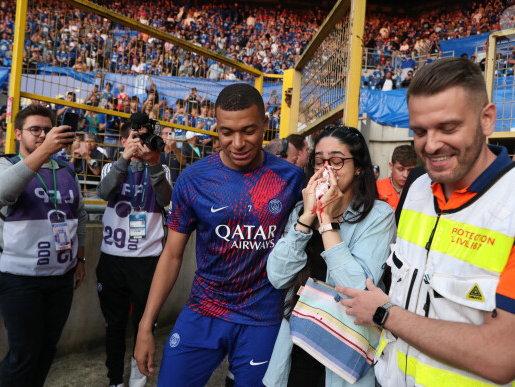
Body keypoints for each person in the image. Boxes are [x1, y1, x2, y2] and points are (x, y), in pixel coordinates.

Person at [337, 58, 515, 386]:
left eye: (448, 128)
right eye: (419, 131)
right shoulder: (418, 187)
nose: (430, 145)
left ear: (487, 119)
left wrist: (384, 313)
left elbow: (503, 355)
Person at [134, 83, 305, 386]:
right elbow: (172, 255)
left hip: (262, 318)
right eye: (227, 132)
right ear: (217, 128)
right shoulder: (194, 178)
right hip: (204, 310)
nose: (237, 143)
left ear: (266, 124)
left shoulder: (290, 178)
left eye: (249, 131)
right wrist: (146, 325)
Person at [263, 126, 396, 387]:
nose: (326, 169)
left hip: (344, 349)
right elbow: (277, 277)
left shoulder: (379, 215)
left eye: (336, 161)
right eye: (320, 161)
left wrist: (326, 221)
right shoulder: (303, 209)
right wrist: (306, 219)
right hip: (296, 344)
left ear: (358, 167)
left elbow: (359, 289)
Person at [0, 104, 88, 386]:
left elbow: (78, 214)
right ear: (18, 133)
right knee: (24, 353)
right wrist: (44, 152)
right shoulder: (3, 165)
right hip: (18, 277)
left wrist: (80, 259)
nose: (42, 136)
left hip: (60, 277)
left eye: (47, 130)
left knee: (46, 350)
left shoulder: (66, 169)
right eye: (35, 130)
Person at [96, 117, 172, 387]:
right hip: (113, 259)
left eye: (145, 138)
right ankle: (115, 380)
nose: (140, 144)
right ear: (124, 141)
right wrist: (124, 161)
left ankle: (138, 381)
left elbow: (167, 199)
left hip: (147, 261)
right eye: (135, 138)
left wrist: (153, 165)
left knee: (145, 325)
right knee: (114, 326)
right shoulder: (110, 168)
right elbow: (104, 192)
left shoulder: (161, 169)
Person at [376, 145, 417, 210]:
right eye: (400, 169)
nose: (405, 175)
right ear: (391, 166)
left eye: (410, 170)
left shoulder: (419, 190)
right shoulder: (376, 188)